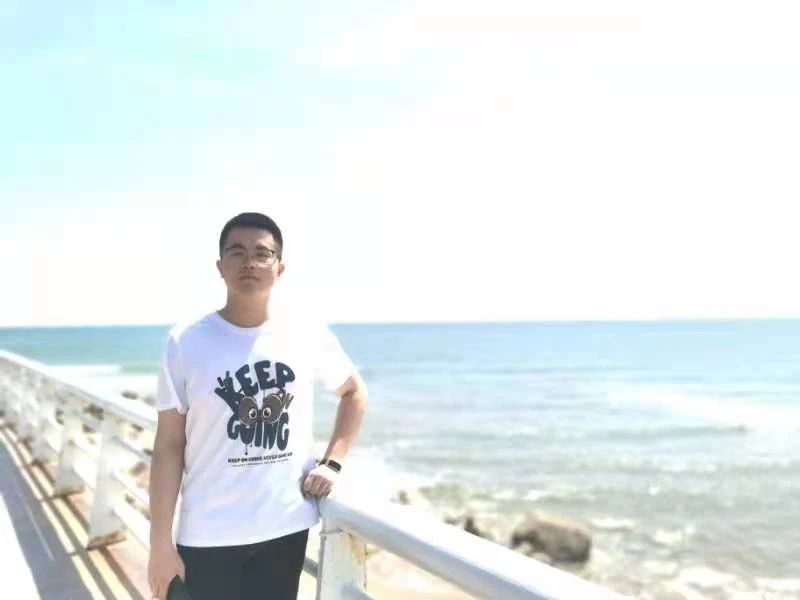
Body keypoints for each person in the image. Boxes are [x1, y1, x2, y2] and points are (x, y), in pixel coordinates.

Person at [147, 212, 367, 600]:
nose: (249, 262)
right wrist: (159, 544)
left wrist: (332, 462)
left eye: (262, 253)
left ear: (279, 268)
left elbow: (354, 393)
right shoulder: (185, 342)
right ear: (220, 266)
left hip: (284, 529)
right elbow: (168, 447)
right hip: (207, 534)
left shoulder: (305, 333)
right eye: (237, 252)